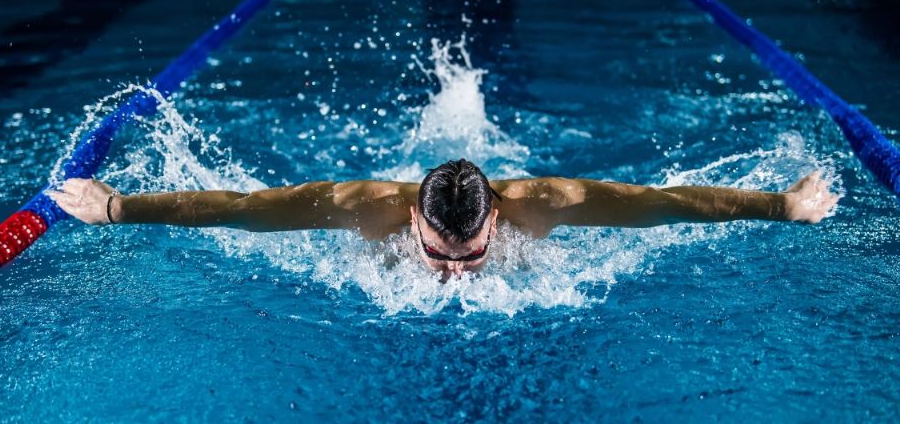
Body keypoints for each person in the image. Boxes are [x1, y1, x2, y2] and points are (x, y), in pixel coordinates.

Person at [46, 159, 839, 279]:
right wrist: (117, 207)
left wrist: (782, 206)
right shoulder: (363, 210)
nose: (452, 274)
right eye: (437, 252)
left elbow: (668, 205)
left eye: (468, 255)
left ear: (498, 214)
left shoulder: (548, 203)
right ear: (413, 221)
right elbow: (244, 212)